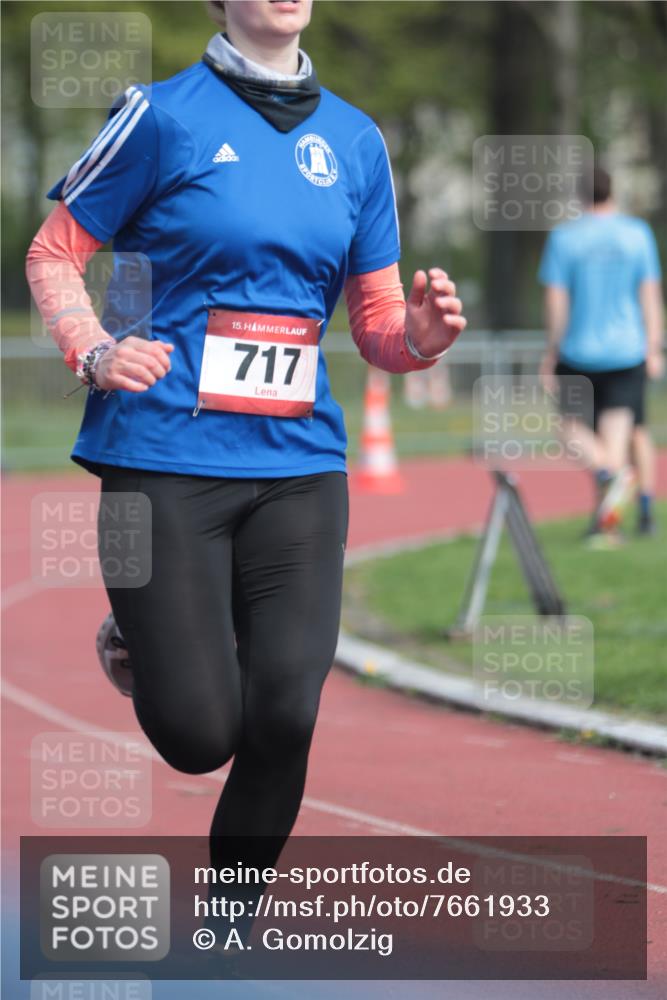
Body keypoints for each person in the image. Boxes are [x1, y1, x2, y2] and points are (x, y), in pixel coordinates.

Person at [26, 0, 466, 946]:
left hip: (300, 465)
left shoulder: (356, 141)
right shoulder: (160, 116)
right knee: (197, 737)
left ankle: (225, 927)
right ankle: (144, 638)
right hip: (161, 459)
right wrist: (93, 350)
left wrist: (418, 341)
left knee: (284, 713)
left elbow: (378, 321)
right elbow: (55, 254)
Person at [539, 165, 664, 542]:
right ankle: (611, 515)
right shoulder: (637, 234)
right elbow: (650, 295)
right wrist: (654, 345)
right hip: (627, 353)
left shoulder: (565, 238)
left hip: (579, 352)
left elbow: (556, 301)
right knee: (614, 447)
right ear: (613, 191)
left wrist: (552, 349)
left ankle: (608, 518)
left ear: (579, 196)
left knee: (570, 432)